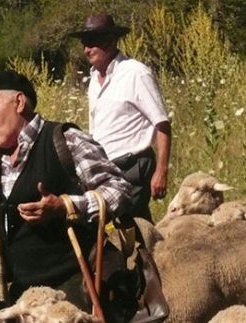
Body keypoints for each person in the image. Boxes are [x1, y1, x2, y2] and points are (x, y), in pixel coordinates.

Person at [0, 70, 132, 318]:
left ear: (19, 102)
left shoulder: (66, 141)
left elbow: (118, 189)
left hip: (73, 287)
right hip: (20, 292)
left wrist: (67, 206)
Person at [69, 13, 171, 224]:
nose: (86, 50)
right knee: (128, 227)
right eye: (84, 44)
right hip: (106, 168)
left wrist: (161, 171)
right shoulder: (94, 80)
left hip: (133, 167)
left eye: (92, 43)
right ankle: (152, 253)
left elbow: (162, 124)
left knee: (115, 223)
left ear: (110, 41)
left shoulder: (136, 73)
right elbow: (95, 129)